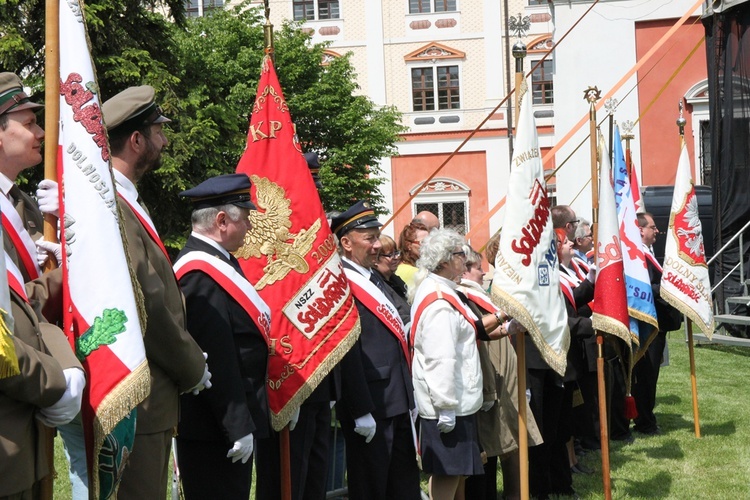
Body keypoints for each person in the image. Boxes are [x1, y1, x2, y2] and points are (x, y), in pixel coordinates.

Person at [100, 85, 211, 499]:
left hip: (151, 395)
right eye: (159, 131)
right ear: (136, 140)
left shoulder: (127, 200)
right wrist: (192, 364)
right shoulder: (114, 204)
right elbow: (147, 302)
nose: (165, 141)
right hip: (139, 399)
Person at [174, 174, 269, 499]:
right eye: (246, 218)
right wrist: (237, 425)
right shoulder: (200, 273)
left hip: (225, 424)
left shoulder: (221, 262)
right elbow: (216, 354)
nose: (251, 227)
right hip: (213, 429)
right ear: (222, 220)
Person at [332, 201, 421, 500]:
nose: (376, 245)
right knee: (372, 487)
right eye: (368, 238)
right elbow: (346, 349)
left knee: (402, 485)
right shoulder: (342, 282)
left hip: (396, 398)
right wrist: (359, 409)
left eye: (376, 236)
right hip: (371, 403)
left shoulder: (374, 279)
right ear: (346, 243)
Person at [458, 246, 542, 500]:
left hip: (505, 377)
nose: (483, 273)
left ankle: (515, 494)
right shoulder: (463, 295)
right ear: (464, 270)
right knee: (492, 445)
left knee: (511, 439)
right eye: (477, 268)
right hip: (488, 379)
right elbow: (478, 331)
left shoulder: (477, 294)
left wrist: (507, 328)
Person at [409, 229, 488, 500]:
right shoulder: (439, 301)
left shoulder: (443, 290)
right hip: (449, 402)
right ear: (443, 261)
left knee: (456, 471)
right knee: (448, 471)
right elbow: (439, 358)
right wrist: (445, 406)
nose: (465, 260)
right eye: (459, 254)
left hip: (456, 398)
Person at [632, 212, 681, 436]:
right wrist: (666, 289)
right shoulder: (636, 256)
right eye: (652, 227)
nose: (657, 230)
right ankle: (644, 421)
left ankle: (647, 416)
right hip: (646, 324)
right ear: (641, 230)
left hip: (658, 324)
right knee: (645, 375)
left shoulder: (650, 253)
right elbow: (642, 288)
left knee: (651, 375)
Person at [373, 234, 410, 326]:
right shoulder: (376, 285)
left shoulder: (395, 280)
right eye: (390, 255)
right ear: (375, 260)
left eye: (396, 253)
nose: (396, 258)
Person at [395, 219, 429, 291]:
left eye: (430, 241)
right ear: (408, 245)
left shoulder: (399, 266)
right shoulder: (414, 273)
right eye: (423, 242)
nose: (428, 246)